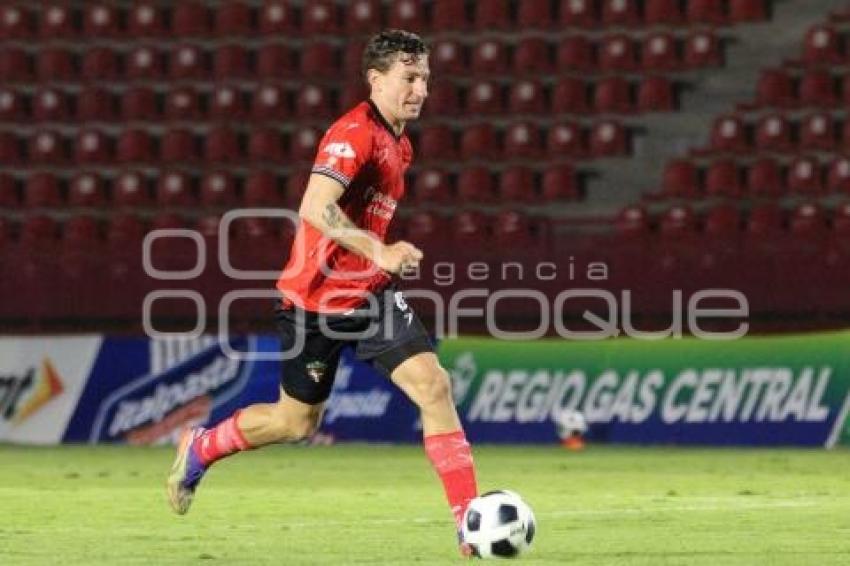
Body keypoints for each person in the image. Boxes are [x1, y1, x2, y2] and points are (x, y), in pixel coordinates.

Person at [167, 30, 479, 556]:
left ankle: (469, 522)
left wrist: (374, 263)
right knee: (295, 422)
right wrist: (376, 249)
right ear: (376, 80)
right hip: (314, 301)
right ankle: (202, 446)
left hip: (371, 296)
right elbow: (314, 206)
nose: (421, 88)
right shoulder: (353, 133)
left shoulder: (401, 143)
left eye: (425, 77)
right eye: (409, 78)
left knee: (434, 386)